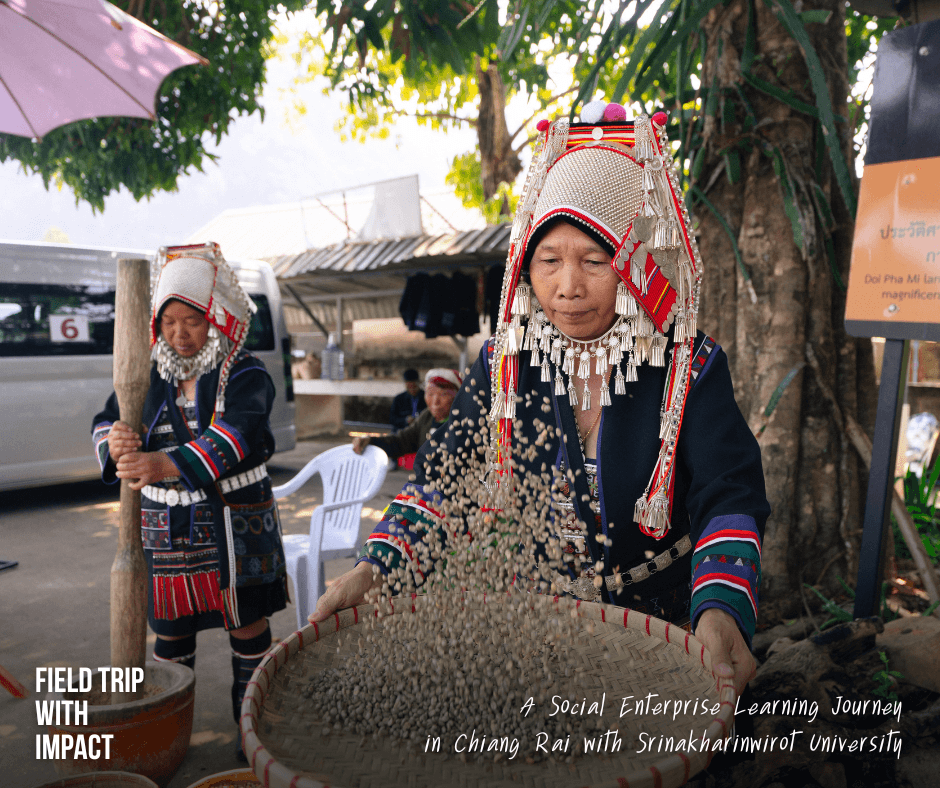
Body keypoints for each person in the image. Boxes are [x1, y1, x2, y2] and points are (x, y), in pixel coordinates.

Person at [315, 104, 770, 699]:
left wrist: (720, 610)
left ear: (633, 261)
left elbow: (728, 490)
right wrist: (377, 566)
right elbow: (448, 478)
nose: (567, 286)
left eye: (595, 260)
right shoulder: (507, 366)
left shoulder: (687, 366)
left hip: (665, 628)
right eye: (548, 260)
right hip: (539, 625)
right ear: (526, 266)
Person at [92, 242, 287, 762]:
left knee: (246, 628)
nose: (180, 333)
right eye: (169, 321)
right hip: (169, 531)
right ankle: (166, 741)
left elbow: (241, 433)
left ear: (216, 319)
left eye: (193, 320)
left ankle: (253, 741)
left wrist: (165, 463)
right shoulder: (151, 373)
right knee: (172, 638)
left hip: (235, 526)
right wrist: (114, 442)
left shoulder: (245, 372)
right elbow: (106, 420)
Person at [353, 368, 461, 460]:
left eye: (443, 394)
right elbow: (401, 441)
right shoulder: (426, 417)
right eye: (430, 393)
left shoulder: (464, 423)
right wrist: (371, 440)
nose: (435, 402)